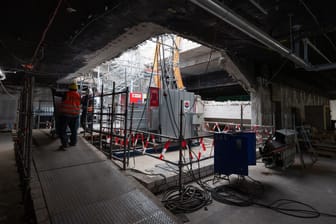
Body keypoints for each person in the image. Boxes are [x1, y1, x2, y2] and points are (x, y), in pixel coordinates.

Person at [57, 82, 81, 150]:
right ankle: (73, 142)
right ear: (76, 89)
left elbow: (62, 100)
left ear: (69, 88)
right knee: (74, 130)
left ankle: (65, 144)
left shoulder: (66, 94)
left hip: (66, 114)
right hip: (75, 115)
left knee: (62, 130)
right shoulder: (78, 95)